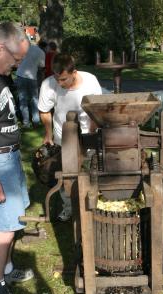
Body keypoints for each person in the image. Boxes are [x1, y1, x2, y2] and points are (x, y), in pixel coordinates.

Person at [0, 22, 34, 294]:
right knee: (4, 229)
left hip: (9, 158)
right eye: (15, 59)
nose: (17, 65)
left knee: (12, 223)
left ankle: (8, 267)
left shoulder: (0, 74)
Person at [38, 53, 102, 221]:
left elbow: (97, 109)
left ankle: (92, 206)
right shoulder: (49, 84)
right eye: (57, 78)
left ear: (74, 72)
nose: (60, 83)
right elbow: (44, 110)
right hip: (62, 137)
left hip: (89, 135)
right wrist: (48, 133)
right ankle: (69, 207)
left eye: (64, 79)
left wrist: (93, 131)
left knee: (90, 171)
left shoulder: (90, 82)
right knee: (65, 174)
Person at [16, 43, 45, 128]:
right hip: (32, 77)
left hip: (21, 75)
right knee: (34, 99)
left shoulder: (27, 47)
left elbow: (18, 59)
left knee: (23, 100)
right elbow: (41, 67)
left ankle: (26, 123)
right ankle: (36, 121)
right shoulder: (41, 52)